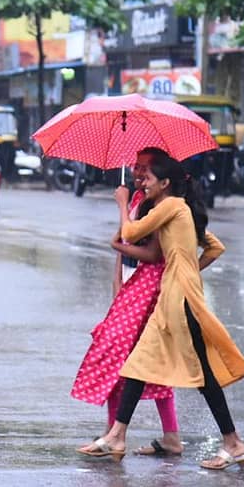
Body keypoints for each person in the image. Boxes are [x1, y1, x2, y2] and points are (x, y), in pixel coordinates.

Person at [77, 154, 244, 469]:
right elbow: (214, 247)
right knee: (138, 364)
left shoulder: (171, 206)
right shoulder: (179, 210)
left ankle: (233, 442)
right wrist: (188, 270)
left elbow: (129, 234)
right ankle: (117, 435)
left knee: (202, 376)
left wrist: (121, 203)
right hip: (172, 297)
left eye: (149, 179)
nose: (144, 182)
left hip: (179, 299)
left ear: (165, 183)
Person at [72, 148, 185, 456]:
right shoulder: (139, 200)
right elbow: (123, 243)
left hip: (150, 290)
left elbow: (152, 253)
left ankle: (117, 435)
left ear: (162, 179)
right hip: (132, 287)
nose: (138, 173)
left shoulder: (160, 206)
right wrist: (117, 281)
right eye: (136, 166)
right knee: (129, 358)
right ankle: (125, 434)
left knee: (128, 358)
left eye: (145, 169)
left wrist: (122, 208)